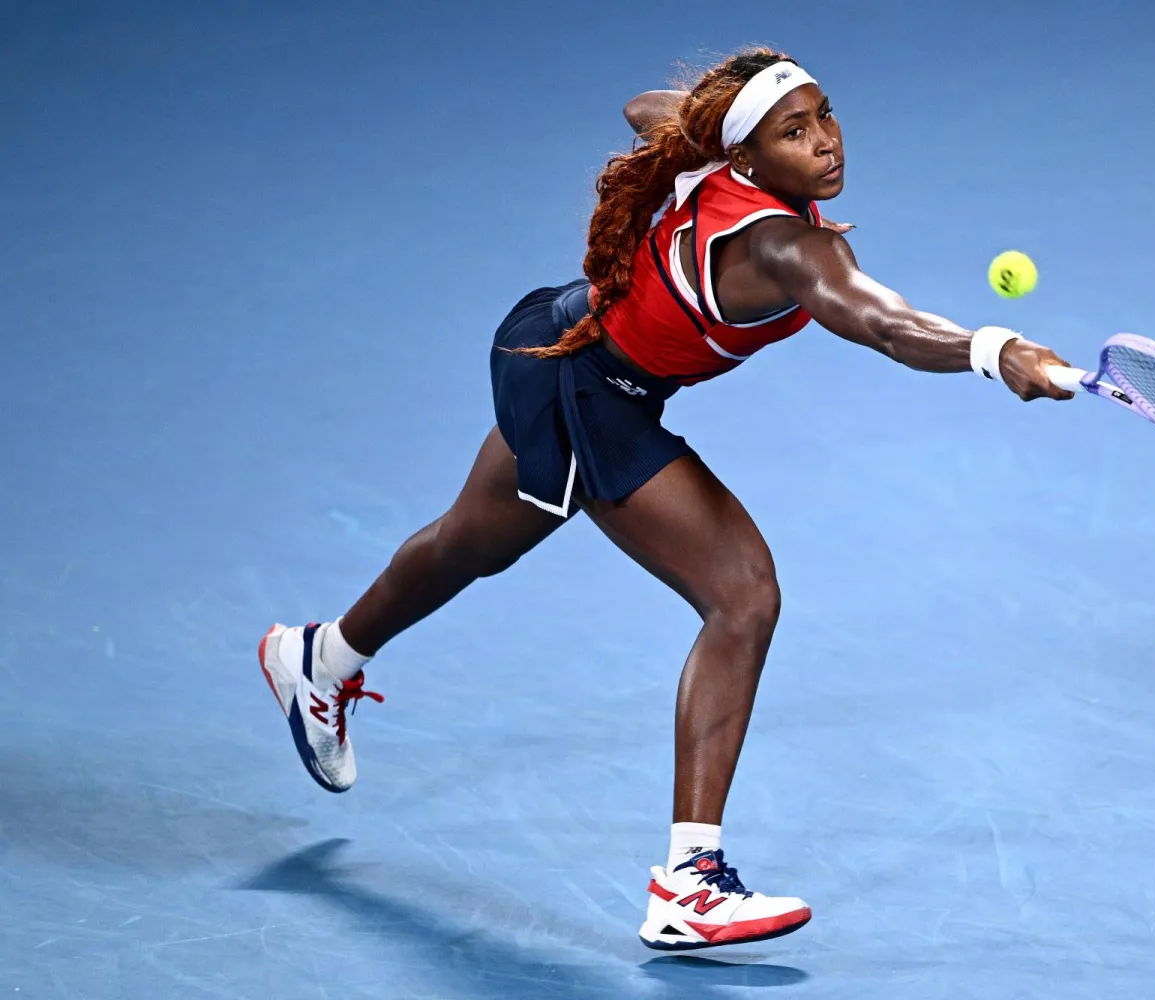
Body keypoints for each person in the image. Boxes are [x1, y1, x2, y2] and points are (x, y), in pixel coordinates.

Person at [256, 47, 1073, 951]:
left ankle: (318, 657)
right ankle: (691, 882)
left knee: (470, 543)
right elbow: (883, 322)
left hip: (554, 343)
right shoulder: (789, 246)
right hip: (593, 391)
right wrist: (997, 350)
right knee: (742, 596)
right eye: (793, 131)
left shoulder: (721, 165)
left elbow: (644, 107)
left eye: (825, 115)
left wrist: (705, 130)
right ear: (748, 155)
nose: (826, 141)